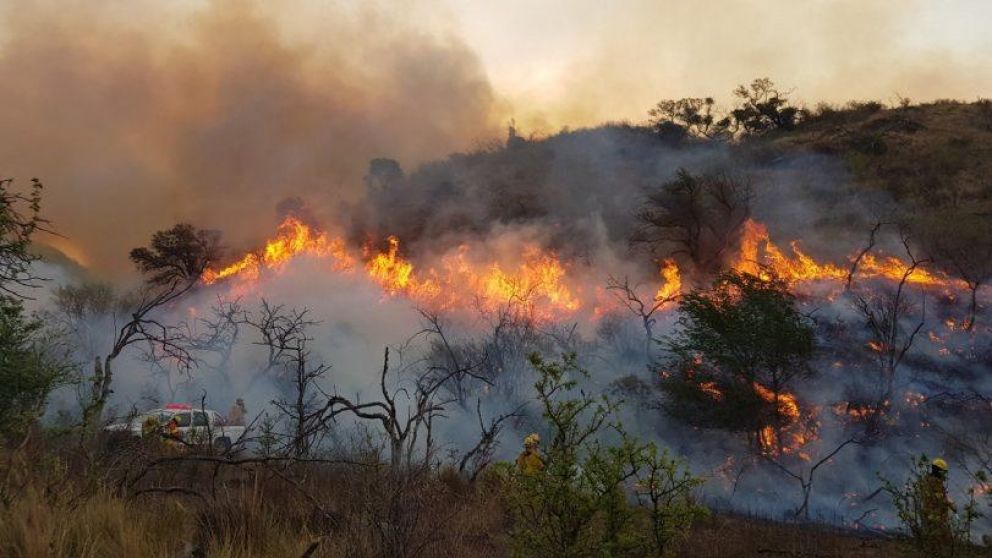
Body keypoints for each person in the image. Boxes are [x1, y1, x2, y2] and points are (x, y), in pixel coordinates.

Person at [919, 457, 954, 554]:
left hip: (930, 515)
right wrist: (950, 503)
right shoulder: (934, 482)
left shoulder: (927, 480)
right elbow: (939, 499)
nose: (944, 474)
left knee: (932, 542)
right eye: (943, 472)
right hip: (935, 517)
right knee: (942, 542)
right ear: (938, 471)